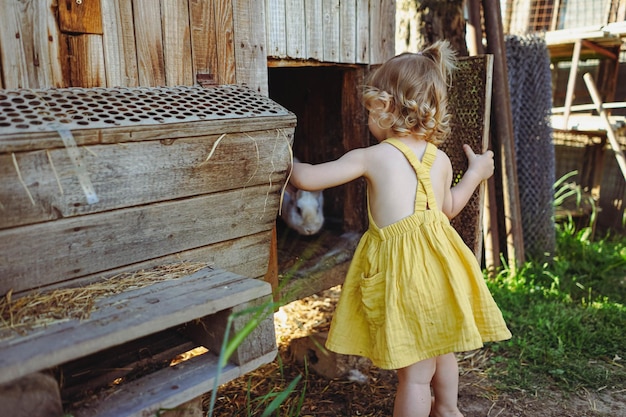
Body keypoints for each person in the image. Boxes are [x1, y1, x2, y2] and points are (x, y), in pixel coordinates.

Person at [288, 40, 512, 417]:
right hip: (444, 268)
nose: (368, 120)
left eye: (370, 111)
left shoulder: (373, 157)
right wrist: (475, 173)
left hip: (406, 273)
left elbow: (308, 179)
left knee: (415, 374)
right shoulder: (440, 160)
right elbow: (450, 208)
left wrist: (281, 151)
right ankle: (448, 409)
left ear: (387, 107)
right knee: (442, 347)